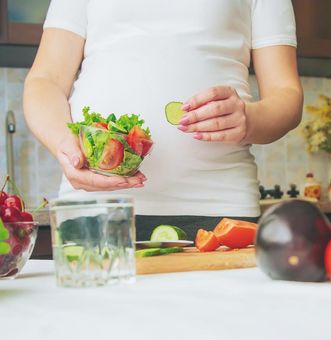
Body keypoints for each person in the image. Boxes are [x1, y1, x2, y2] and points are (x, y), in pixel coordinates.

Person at [23, 0, 303, 240]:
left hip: (217, 205)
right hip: (94, 207)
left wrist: (250, 119)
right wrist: (65, 144)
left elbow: (286, 94)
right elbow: (44, 80)